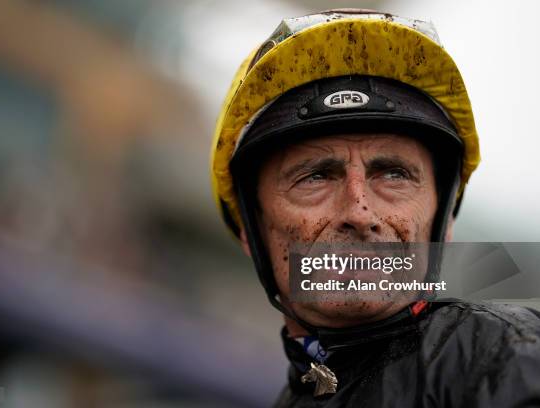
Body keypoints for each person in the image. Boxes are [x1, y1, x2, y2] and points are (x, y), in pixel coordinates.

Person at [210, 9, 540, 407]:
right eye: (315, 177)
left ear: (443, 222)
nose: (360, 213)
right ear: (251, 229)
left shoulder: (506, 360)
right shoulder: (301, 394)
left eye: (394, 175)